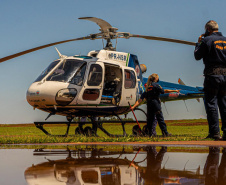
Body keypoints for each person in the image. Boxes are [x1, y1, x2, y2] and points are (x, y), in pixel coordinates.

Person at [194, 20, 226, 140]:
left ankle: (214, 133)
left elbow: (197, 56)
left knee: (211, 103)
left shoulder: (207, 40)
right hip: (225, 76)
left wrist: (198, 44)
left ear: (207, 29)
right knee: (224, 104)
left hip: (213, 76)